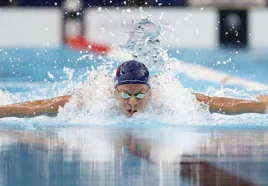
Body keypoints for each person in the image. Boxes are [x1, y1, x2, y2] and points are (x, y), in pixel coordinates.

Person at [0, 60, 267, 118]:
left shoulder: (169, 96)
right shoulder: (96, 97)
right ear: (114, 91)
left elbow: (221, 104)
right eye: (125, 95)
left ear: (150, 92)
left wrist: (263, 105)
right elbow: (40, 106)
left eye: (140, 94)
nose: (133, 102)